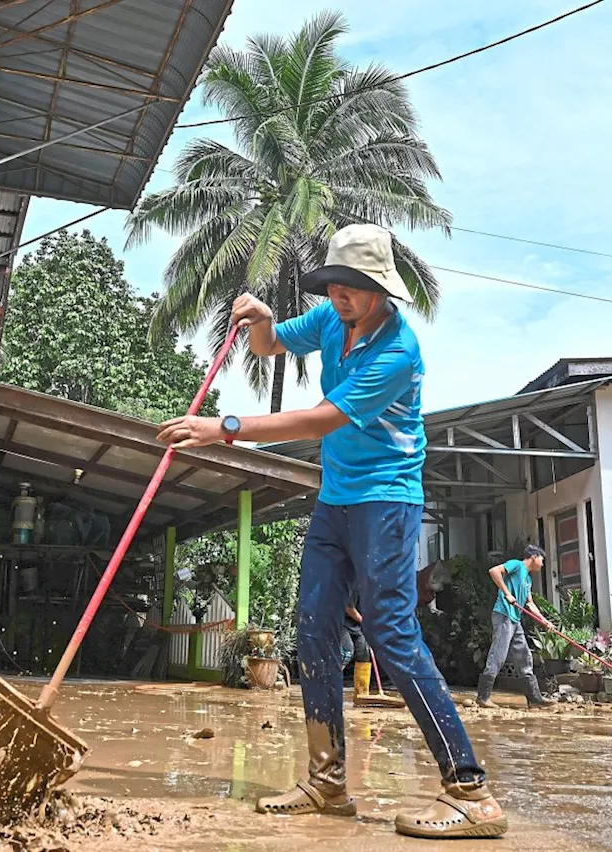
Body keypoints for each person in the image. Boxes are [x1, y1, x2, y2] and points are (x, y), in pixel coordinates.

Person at [156, 223, 507, 839]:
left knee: (392, 634)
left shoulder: (398, 351)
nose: (339, 296)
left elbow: (323, 419)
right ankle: (326, 782)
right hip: (336, 500)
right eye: (333, 284)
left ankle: (470, 791)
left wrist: (224, 428)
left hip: (386, 503)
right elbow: (267, 347)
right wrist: (262, 318)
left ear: (380, 288)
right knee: (314, 631)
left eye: (351, 287)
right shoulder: (329, 320)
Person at [478, 545, 557, 709]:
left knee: (524, 658)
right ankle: (483, 697)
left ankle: (534, 699)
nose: (542, 564)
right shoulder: (517, 565)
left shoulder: (527, 579)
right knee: (498, 656)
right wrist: (507, 593)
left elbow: (530, 604)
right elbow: (494, 571)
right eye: (542, 559)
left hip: (515, 620)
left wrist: (544, 621)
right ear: (534, 556)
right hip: (504, 615)